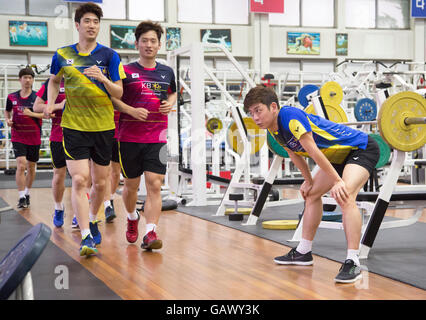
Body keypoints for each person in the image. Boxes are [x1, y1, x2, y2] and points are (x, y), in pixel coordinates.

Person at [243, 86, 379, 283]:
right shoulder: (273, 130)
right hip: (336, 157)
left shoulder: (290, 117)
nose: (255, 117)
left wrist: (338, 182)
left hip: (360, 148)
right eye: (251, 113)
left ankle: (353, 261)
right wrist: (308, 181)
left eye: (258, 110)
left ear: (273, 107)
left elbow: (313, 151)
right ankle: (303, 251)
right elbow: (293, 153)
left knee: (345, 195)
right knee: (312, 194)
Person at [44, 2, 125, 257]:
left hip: (102, 126)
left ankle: (91, 219)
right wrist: (50, 102)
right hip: (74, 125)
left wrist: (102, 79)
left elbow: (119, 91)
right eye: (87, 21)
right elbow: (54, 81)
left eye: (96, 22)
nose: (92, 26)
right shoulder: (62, 54)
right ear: (77, 25)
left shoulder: (110, 56)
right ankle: (86, 236)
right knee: (80, 179)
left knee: (100, 184)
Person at [112, 21, 177, 250]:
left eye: (153, 41)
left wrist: (169, 104)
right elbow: (114, 99)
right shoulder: (125, 71)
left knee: (155, 185)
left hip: (157, 138)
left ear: (159, 45)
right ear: (137, 43)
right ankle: (131, 217)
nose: (149, 45)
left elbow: (173, 93)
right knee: (131, 185)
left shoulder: (167, 71)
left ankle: (150, 233)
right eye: (145, 41)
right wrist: (130, 110)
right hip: (129, 137)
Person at [4, 68, 42, 209]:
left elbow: (45, 114)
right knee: (21, 164)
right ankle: (21, 196)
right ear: (20, 79)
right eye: (25, 77)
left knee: (31, 167)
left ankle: (27, 193)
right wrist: (8, 120)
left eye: (30, 78)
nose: (28, 80)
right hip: (18, 135)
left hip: (34, 136)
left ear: (33, 80)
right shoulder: (12, 97)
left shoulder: (38, 97)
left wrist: (31, 114)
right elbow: (7, 110)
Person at [33, 78, 67, 227]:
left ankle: (82, 214)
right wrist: (57, 105)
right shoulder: (51, 82)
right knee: (59, 175)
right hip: (59, 136)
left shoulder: (83, 78)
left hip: (82, 136)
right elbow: (37, 106)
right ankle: (58, 207)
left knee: (83, 178)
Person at [102, 109, 121, 223]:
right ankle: (107, 205)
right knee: (106, 172)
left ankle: (111, 197)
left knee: (116, 172)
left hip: (120, 135)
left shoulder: (124, 92)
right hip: (105, 134)